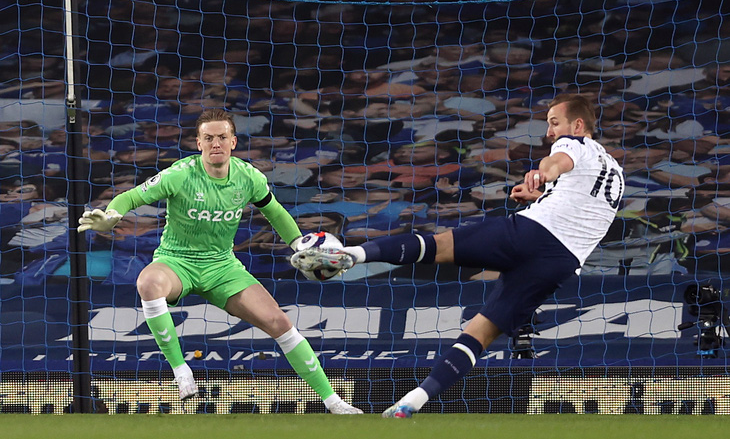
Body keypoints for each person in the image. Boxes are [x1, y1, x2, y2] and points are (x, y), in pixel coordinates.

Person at [291, 94, 625, 417]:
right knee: (481, 333)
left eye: (555, 123)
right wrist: (540, 193)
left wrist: (542, 174)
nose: (549, 131)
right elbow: (578, 202)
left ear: (578, 125)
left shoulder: (574, 144)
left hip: (532, 234)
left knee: (436, 246)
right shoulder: (616, 174)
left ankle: (350, 254)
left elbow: (557, 161)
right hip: (561, 262)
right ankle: (414, 401)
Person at [77, 108, 362, 414]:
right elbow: (131, 196)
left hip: (223, 267)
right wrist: (111, 216)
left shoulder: (248, 176)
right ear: (198, 143)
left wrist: (297, 243)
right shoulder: (180, 174)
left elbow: (274, 210)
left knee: (280, 323)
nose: (216, 143)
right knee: (148, 282)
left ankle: (334, 402)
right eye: (208, 137)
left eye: (222, 137)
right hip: (177, 262)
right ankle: (181, 371)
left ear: (233, 142)